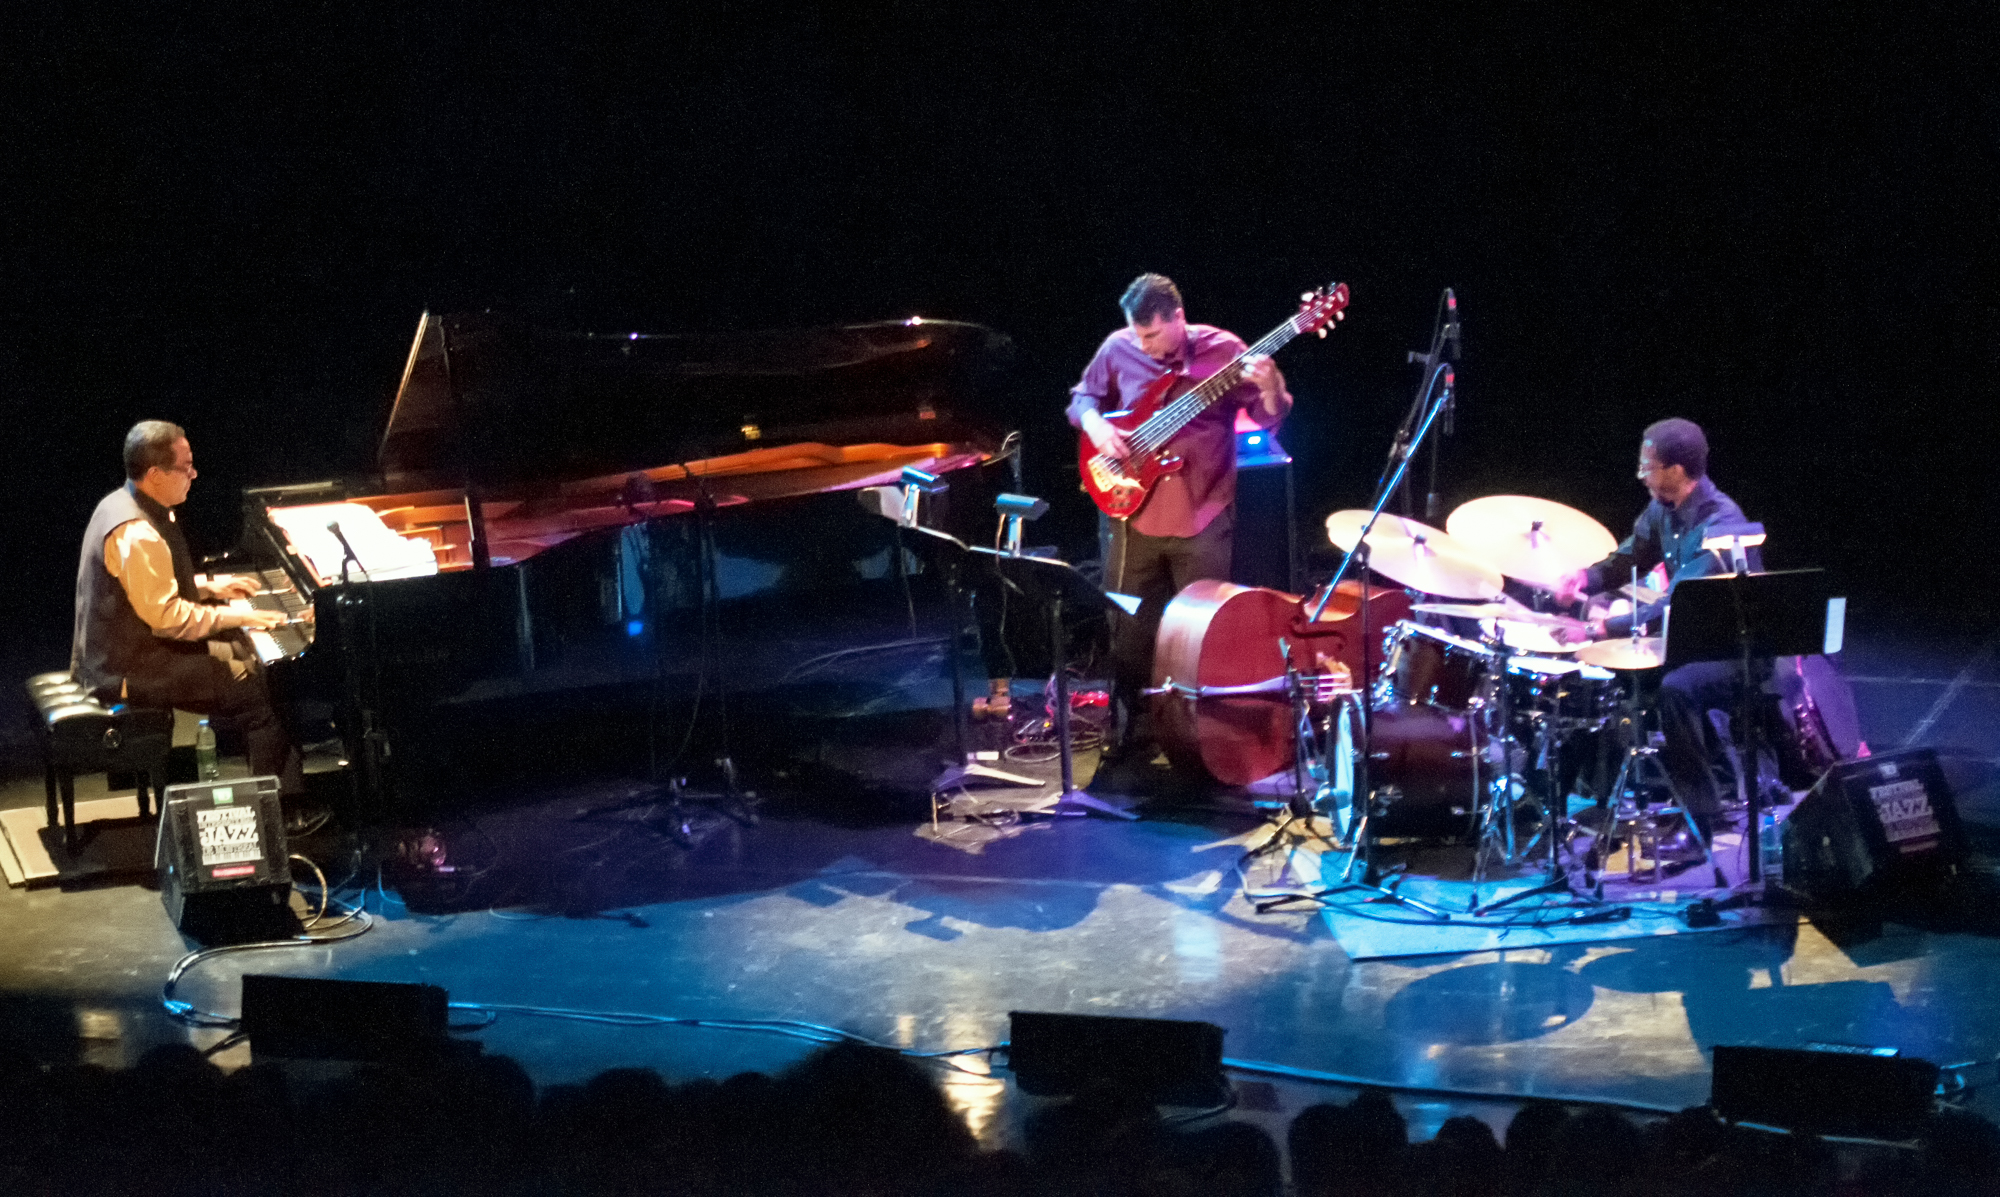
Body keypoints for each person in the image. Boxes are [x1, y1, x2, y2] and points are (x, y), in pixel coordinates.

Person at [1068, 273, 1292, 754]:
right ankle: (1132, 729)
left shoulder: (1225, 350)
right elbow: (1082, 398)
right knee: (1129, 627)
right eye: (1137, 335)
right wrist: (1096, 426)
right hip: (1134, 514)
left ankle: (1202, 736)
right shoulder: (1118, 346)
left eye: (1152, 334)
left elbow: (1270, 416)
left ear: (1177, 318)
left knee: (1203, 632)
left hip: (1203, 512)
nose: (1143, 345)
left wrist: (1271, 385)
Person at [72, 420, 305, 796]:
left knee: (249, 658)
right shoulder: (138, 530)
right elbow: (167, 619)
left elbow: (144, 590)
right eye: (185, 466)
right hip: (130, 669)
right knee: (263, 698)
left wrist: (210, 587)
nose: (193, 474)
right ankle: (275, 812)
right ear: (155, 473)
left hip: (132, 652)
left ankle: (281, 798)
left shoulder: (124, 502)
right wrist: (241, 615)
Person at [1554, 417, 1756, 848]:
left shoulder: (1722, 524)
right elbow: (1628, 557)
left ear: (1676, 471)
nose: (1640, 475)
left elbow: (1676, 607)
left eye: (1648, 465)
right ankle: (1594, 797)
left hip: (1731, 651)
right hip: (1687, 641)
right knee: (1603, 675)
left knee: (1677, 690)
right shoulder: (1661, 511)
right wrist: (1583, 581)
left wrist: (1602, 626)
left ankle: (1705, 818)